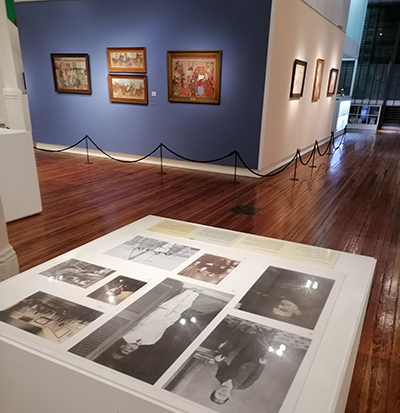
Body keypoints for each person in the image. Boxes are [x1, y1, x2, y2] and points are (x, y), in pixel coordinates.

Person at [112, 289, 200, 359]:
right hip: (167, 321)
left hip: (155, 316)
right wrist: (169, 322)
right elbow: (161, 331)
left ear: (122, 345)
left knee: (172, 303)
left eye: (125, 350)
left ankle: (188, 291)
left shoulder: (127, 335)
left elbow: (136, 322)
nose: (130, 350)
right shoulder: (150, 342)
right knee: (181, 308)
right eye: (129, 352)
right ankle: (194, 295)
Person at [209, 338, 268, 405]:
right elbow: (255, 376)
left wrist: (218, 361)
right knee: (265, 345)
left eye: (219, 393)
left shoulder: (220, 376)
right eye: (224, 395)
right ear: (229, 396)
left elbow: (223, 366)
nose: (223, 392)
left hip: (242, 356)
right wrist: (262, 365)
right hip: (255, 361)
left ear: (215, 390)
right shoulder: (242, 386)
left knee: (255, 341)